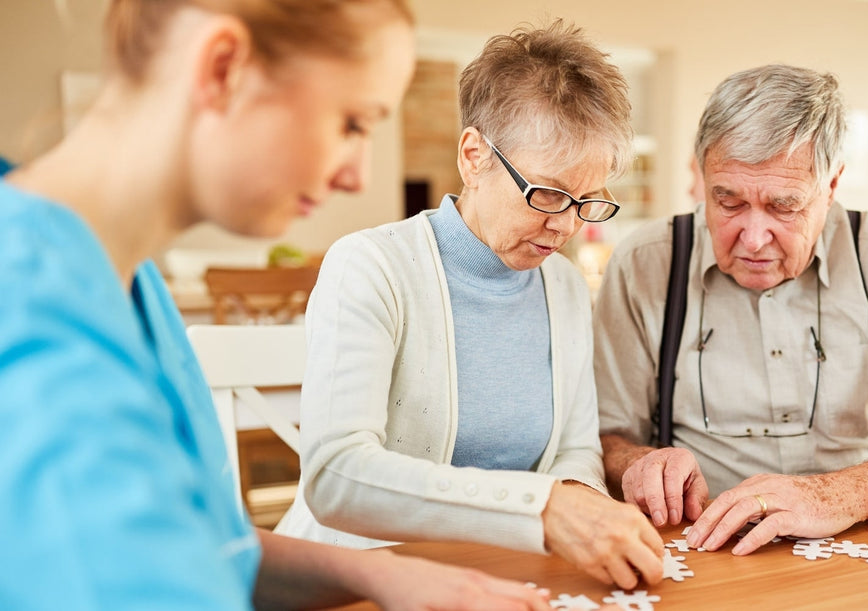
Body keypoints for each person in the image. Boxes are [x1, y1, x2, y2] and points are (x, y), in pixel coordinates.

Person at [0, 1, 557, 609]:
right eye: (352, 123)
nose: (357, 175)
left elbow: (208, 548)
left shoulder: (127, 283)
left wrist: (380, 575)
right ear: (223, 68)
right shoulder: (33, 321)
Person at [276, 20, 664, 590]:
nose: (564, 225)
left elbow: (576, 450)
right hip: (362, 580)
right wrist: (543, 509)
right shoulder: (369, 266)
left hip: (508, 577)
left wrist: (584, 503)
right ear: (474, 155)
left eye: (586, 201)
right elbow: (337, 477)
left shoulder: (563, 286)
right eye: (548, 193)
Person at [594, 64, 868, 557]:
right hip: (702, 548)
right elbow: (605, 437)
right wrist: (637, 462)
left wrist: (834, 495)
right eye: (728, 201)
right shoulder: (645, 262)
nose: (753, 237)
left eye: (784, 206)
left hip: (867, 541)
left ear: (831, 187)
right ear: (702, 176)